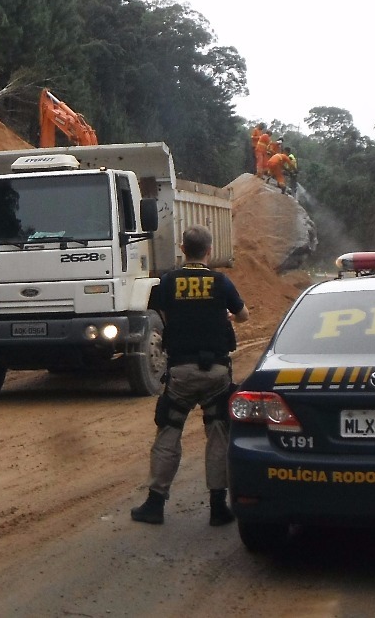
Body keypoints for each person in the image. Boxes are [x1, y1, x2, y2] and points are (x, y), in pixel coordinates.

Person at [131, 226, 250, 527]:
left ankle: (155, 503)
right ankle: (217, 507)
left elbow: (157, 313)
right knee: (218, 434)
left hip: (181, 373)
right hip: (217, 374)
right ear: (209, 251)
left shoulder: (169, 282)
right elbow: (244, 314)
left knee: (169, 431)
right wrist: (226, 315)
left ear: (183, 249)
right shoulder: (221, 281)